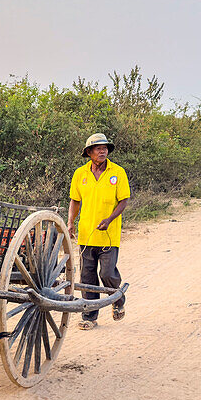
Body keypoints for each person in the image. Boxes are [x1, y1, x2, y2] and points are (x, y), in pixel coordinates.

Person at [68, 133, 129, 330]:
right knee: (87, 277)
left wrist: (110, 219)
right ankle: (89, 316)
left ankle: (117, 298)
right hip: (86, 233)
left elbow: (124, 200)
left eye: (105, 148)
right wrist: (70, 222)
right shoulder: (80, 174)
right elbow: (75, 201)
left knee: (107, 272)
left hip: (109, 234)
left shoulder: (117, 172)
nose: (103, 151)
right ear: (89, 152)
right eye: (98, 148)